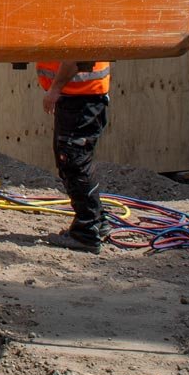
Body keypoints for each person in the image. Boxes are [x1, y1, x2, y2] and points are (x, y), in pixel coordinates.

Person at [39, 58, 112, 250]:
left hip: (80, 99)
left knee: (73, 161)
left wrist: (55, 89)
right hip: (80, 97)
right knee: (75, 161)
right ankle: (97, 221)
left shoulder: (75, 28)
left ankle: (86, 232)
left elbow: (74, 57)